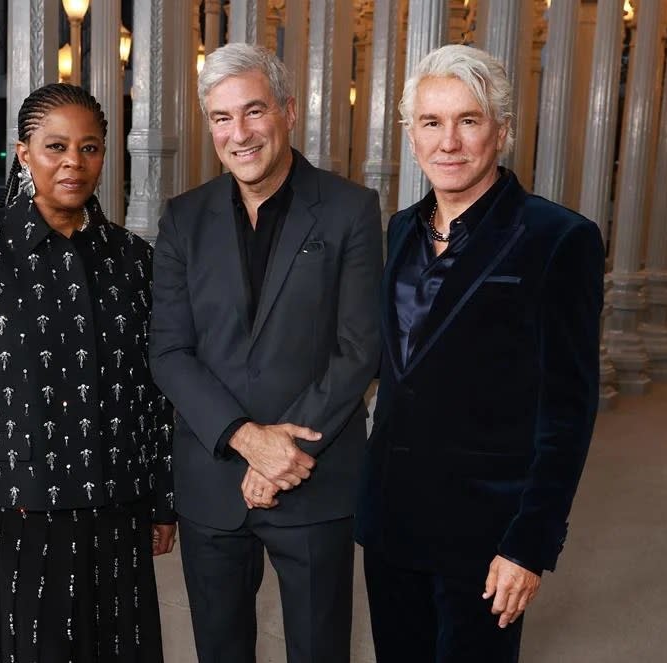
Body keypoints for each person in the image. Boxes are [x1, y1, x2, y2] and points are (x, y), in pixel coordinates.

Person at [355, 44, 604, 662]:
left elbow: (568, 411)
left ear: (502, 130)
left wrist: (530, 544)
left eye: (468, 120)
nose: (449, 142)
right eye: (431, 123)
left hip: (487, 533)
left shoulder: (559, 239)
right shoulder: (400, 228)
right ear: (411, 135)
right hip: (393, 520)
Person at [0, 83, 175, 663]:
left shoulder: (133, 259)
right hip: (15, 514)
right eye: (55, 146)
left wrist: (163, 498)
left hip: (116, 510)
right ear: (23, 152)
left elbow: (153, 391)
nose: (73, 163)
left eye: (89, 148)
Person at [149, 43, 382, 663]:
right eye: (223, 118)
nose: (240, 133)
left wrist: (286, 449)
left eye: (254, 112)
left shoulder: (350, 209)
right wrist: (247, 438)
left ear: (287, 110)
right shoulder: (183, 219)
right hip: (211, 478)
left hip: (314, 475)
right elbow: (169, 351)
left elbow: (359, 348)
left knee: (318, 649)